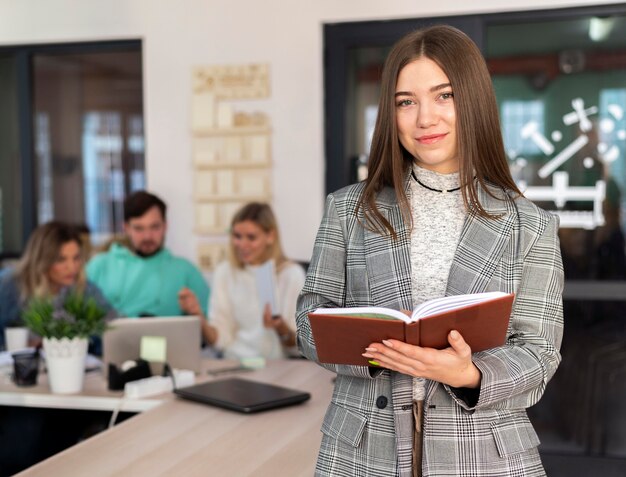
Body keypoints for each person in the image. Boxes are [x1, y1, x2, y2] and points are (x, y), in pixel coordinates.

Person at [296, 25, 564, 477]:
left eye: (444, 96)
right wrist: (376, 348)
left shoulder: (530, 224)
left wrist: (469, 375)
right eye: (406, 101)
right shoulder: (348, 209)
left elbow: (539, 353)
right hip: (363, 449)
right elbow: (309, 318)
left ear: (472, 101)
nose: (425, 119)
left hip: (483, 452)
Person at [179, 202, 305, 359]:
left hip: (278, 365)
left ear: (270, 236)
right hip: (235, 362)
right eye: (237, 236)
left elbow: (301, 346)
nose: (242, 245)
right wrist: (198, 316)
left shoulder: (291, 275)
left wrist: (281, 328)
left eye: (251, 237)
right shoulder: (225, 272)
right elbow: (220, 340)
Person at [87, 191, 210, 318]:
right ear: (126, 228)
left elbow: (209, 324)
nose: (147, 236)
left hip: (168, 337)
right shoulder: (99, 266)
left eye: (155, 227)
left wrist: (195, 312)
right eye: (139, 228)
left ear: (165, 226)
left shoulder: (185, 271)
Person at [0, 221, 114, 351]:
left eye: (76, 258)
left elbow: (112, 324)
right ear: (42, 260)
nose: (72, 268)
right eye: (61, 260)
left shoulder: (83, 287)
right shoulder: (8, 285)